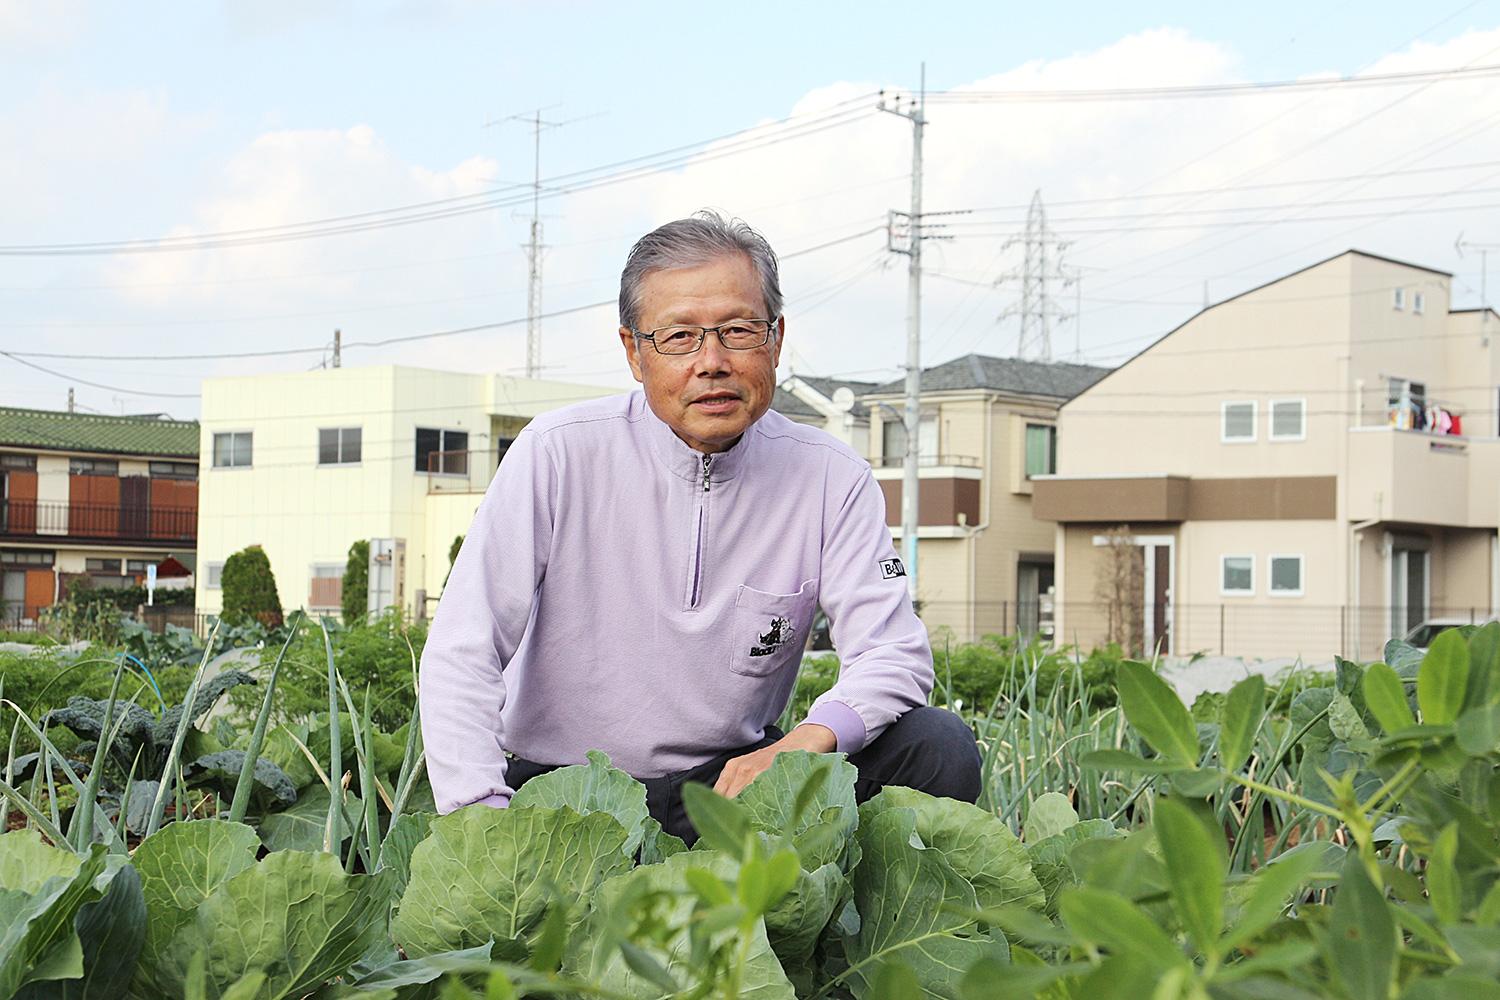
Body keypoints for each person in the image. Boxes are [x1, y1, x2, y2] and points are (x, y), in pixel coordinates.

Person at [419, 210, 981, 843]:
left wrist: (802, 744)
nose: (712, 361)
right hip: (562, 795)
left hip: (728, 793)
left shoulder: (830, 477)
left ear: (775, 339)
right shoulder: (557, 453)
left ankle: (855, 934)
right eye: (679, 337)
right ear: (634, 352)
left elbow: (893, 653)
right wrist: (481, 823)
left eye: (738, 330)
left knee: (938, 746)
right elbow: (463, 649)